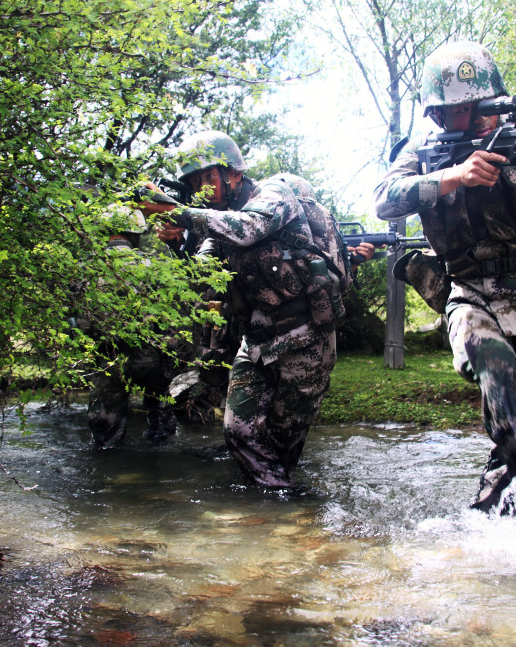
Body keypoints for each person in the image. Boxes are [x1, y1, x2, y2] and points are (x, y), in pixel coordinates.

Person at [374, 41, 516, 540]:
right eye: (458, 110)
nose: (473, 119)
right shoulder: (423, 155)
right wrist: (452, 177)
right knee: (494, 369)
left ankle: (486, 526)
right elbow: (384, 201)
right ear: (437, 114)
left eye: (478, 107)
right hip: (469, 291)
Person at [137, 130, 352, 492]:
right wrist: (179, 246)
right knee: (238, 432)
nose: (203, 188)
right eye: (194, 182)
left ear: (234, 173)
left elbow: (248, 228)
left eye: (208, 177)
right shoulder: (213, 224)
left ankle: (287, 515)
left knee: (283, 443)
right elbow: (200, 279)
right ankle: (280, 504)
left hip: (305, 336)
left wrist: (180, 212)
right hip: (256, 339)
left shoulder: (273, 194)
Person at [77, 202, 183, 448]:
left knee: (105, 435)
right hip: (149, 359)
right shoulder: (149, 266)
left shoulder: (88, 268)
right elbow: (169, 321)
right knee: (161, 425)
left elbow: (81, 325)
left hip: (109, 360)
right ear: (134, 232)